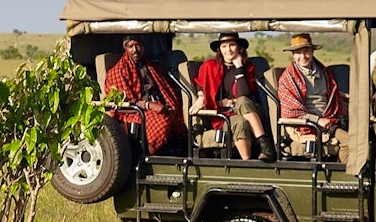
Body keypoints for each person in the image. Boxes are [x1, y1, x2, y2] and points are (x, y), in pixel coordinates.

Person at [190, 32, 276, 162]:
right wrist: (201, 97)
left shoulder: (248, 67)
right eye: (224, 46)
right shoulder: (209, 66)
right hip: (222, 115)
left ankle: (264, 144)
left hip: (247, 110)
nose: (228, 50)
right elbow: (200, 84)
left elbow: (244, 93)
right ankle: (247, 162)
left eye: (232, 45)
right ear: (219, 50)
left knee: (242, 101)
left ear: (239, 47)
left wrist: (239, 69)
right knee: (239, 123)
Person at [103, 36, 186, 154]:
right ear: (125, 48)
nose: (135, 50)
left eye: (138, 45)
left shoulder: (150, 65)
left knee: (184, 116)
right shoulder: (118, 71)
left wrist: (168, 104)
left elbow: (164, 88)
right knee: (162, 123)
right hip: (136, 111)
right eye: (131, 46)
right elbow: (123, 103)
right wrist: (148, 105)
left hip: (158, 103)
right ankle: (147, 155)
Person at [277, 33, 349, 163]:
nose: (303, 56)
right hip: (308, 124)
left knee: (364, 133)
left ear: (312, 52)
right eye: (298, 53)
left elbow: (332, 95)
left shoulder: (324, 72)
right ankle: (345, 172)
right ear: (293, 55)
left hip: (331, 118)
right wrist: (318, 120)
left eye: (306, 51)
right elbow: (293, 111)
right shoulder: (287, 79)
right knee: (350, 142)